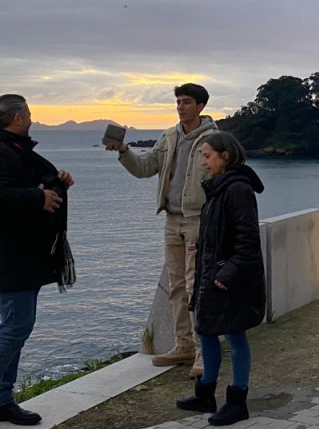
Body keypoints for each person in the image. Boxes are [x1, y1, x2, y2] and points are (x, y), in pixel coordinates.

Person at [0, 94, 75, 429]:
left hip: (23, 255)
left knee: (16, 329)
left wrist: (55, 183)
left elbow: (26, 183)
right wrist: (38, 196)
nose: (33, 120)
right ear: (19, 118)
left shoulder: (12, 149)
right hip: (10, 259)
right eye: (30, 115)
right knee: (14, 329)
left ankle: (1, 401)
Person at [107, 83, 217, 376]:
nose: (181, 107)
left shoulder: (214, 139)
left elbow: (223, 176)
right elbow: (145, 168)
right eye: (178, 101)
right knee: (177, 287)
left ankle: (203, 350)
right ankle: (183, 345)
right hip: (171, 220)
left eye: (187, 102)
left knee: (197, 287)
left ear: (201, 106)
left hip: (197, 220)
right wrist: (122, 150)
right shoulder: (169, 137)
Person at [176, 131, 265, 426]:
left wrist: (227, 272)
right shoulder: (220, 187)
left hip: (229, 278)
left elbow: (248, 238)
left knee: (235, 336)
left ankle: (237, 402)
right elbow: (221, 231)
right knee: (206, 330)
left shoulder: (237, 189)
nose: (203, 162)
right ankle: (205, 395)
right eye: (202, 156)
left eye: (207, 156)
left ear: (225, 156)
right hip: (215, 273)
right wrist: (201, 247)